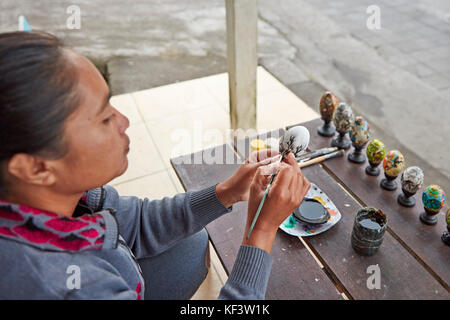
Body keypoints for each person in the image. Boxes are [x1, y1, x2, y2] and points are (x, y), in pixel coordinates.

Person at [0, 31, 310, 300]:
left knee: (191, 244)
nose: (124, 120)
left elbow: (134, 220)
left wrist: (228, 191)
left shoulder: (67, 197)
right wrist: (261, 230)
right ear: (36, 168)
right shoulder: (68, 287)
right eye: (104, 117)